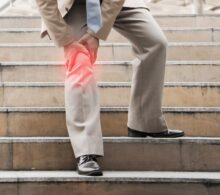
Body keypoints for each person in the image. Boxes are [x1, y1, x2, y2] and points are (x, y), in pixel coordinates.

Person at [35, 0, 185, 176]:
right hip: (74, 5)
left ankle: (145, 121)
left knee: (156, 42)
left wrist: (95, 33)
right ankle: (86, 151)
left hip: (115, 3)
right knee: (79, 59)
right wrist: (66, 41)